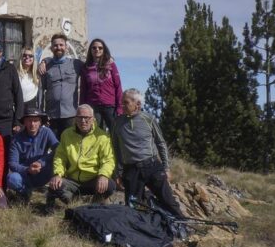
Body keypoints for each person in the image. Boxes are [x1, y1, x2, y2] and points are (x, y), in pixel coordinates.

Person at [112, 89, 183, 218]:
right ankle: (138, 234)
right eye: (122, 102)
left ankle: (185, 225)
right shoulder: (117, 122)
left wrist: (166, 167)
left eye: (126, 102)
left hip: (152, 167)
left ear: (137, 104)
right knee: (133, 206)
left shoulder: (148, 119)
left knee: (168, 201)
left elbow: (161, 143)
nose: (122, 105)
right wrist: (118, 173)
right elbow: (116, 149)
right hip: (131, 170)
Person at [47, 104, 116, 213]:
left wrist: (103, 175)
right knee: (54, 185)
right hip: (72, 180)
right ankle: (75, 202)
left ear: (93, 119)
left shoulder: (103, 137)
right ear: (75, 119)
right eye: (80, 117)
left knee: (110, 185)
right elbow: (60, 157)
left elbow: (108, 160)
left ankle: (94, 203)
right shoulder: (66, 134)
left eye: (86, 118)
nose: (83, 121)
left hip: (93, 180)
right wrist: (57, 174)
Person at [5, 107, 59, 203]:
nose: (32, 124)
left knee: (58, 165)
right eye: (29, 121)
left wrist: (41, 162)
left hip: (43, 172)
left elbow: (58, 149)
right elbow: (12, 163)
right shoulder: (16, 139)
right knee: (12, 179)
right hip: (25, 174)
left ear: (40, 122)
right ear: (24, 122)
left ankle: (53, 194)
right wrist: (27, 169)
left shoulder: (47, 132)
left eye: (35, 121)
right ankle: (25, 192)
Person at [37, 34, 83, 137]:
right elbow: (40, 92)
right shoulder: (46, 67)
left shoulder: (76, 64)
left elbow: (92, 67)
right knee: (55, 148)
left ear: (66, 47)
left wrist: (107, 59)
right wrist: (41, 115)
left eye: (61, 45)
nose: (58, 48)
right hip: (52, 116)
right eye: (55, 45)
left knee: (70, 147)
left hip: (71, 115)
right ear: (51, 48)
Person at [80, 38, 123, 130]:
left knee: (115, 133)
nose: (97, 50)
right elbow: (83, 90)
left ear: (104, 50)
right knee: (95, 133)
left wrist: (119, 107)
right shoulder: (85, 67)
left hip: (110, 106)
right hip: (93, 107)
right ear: (90, 50)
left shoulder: (111, 65)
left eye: (100, 48)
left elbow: (118, 86)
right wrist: (82, 109)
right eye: (94, 48)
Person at [17, 47, 39, 111]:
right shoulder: (15, 73)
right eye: (24, 55)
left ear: (34, 58)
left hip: (32, 107)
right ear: (21, 57)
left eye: (30, 56)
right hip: (18, 106)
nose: (27, 57)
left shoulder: (37, 75)